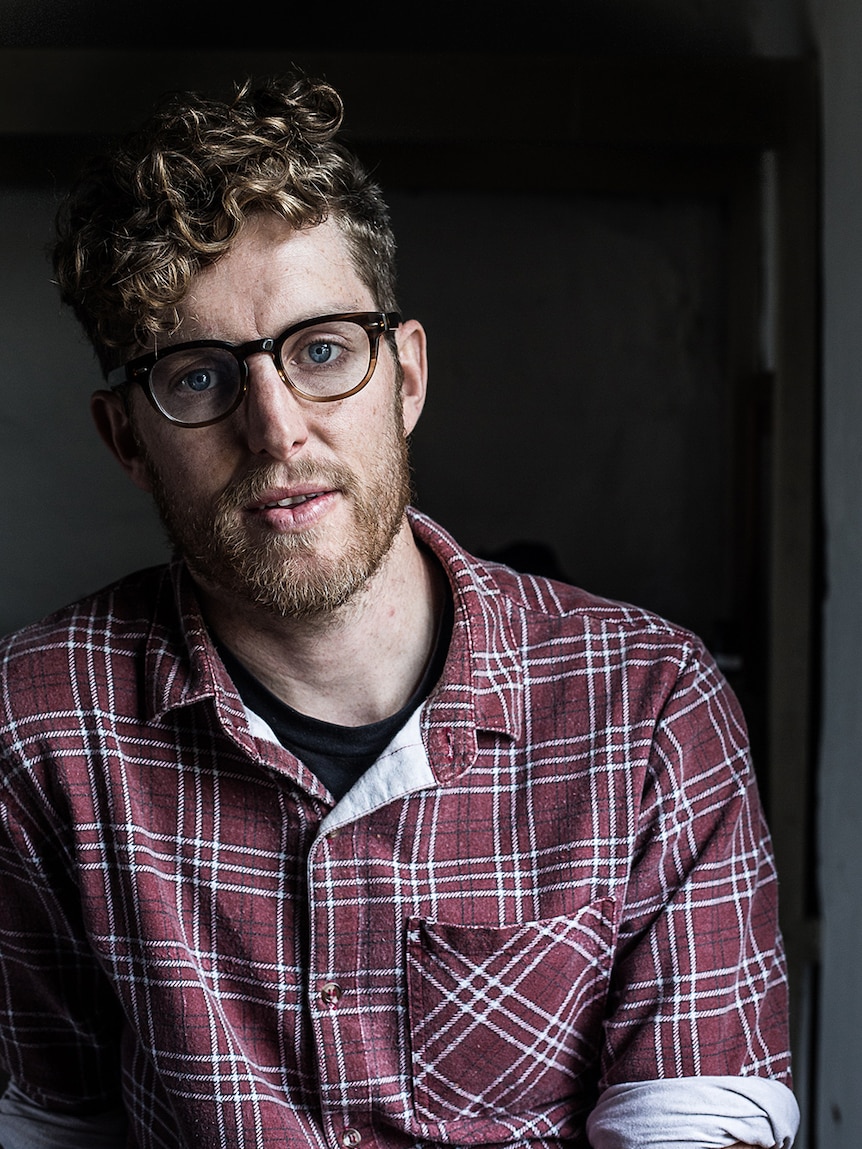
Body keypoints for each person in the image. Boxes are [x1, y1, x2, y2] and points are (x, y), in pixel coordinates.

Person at [0, 72, 799, 1149]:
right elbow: (53, 1125)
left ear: (406, 374)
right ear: (126, 438)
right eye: (198, 378)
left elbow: (698, 1122)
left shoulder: (650, 705)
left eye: (321, 349)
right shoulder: (41, 724)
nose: (277, 428)